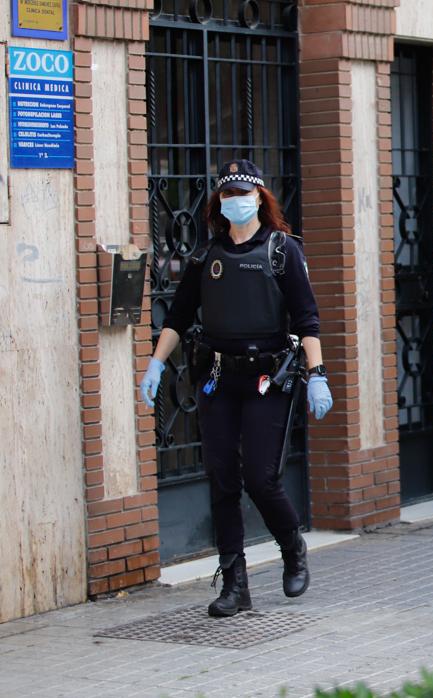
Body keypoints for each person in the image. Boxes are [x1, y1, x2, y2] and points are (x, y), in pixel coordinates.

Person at [138, 159, 333, 617]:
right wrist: (154, 364)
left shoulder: (283, 250)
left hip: (269, 378)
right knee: (222, 478)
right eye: (227, 194)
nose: (236, 201)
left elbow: (307, 319)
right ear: (218, 203)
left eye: (244, 193)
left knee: (261, 479)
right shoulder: (206, 256)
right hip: (219, 377)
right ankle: (234, 583)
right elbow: (179, 317)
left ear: (260, 199)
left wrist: (317, 374)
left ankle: (291, 547)